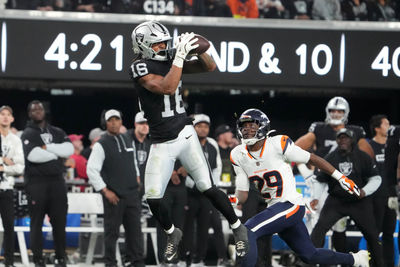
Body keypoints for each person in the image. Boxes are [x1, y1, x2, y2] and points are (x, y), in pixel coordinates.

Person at [129, 21, 248, 263]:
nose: (163, 46)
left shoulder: (171, 58)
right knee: (152, 197)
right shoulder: (140, 66)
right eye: (158, 44)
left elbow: (210, 65)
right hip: (161, 141)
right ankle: (173, 233)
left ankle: (238, 227)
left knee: (207, 187)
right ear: (144, 46)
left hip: (185, 133)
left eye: (165, 42)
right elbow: (166, 86)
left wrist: (196, 47)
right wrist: (180, 57)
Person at [229, 108, 369, 267]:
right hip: (275, 207)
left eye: (251, 126)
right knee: (311, 255)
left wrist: (341, 177)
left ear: (263, 127)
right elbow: (243, 194)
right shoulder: (237, 154)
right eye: (244, 126)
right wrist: (232, 199)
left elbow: (313, 158)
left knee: (247, 231)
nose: (247, 129)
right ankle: (356, 259)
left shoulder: (277, 144)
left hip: (290, 205)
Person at [295, 96, 374, 252]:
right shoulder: (319, 129)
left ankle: (341, 259)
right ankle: (313, 259)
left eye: (340, 111)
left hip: (341, 184)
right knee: (316, 223)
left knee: (340, 225)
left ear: (346, 112)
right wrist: (307, 172)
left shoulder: (355, 132)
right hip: (322, 182)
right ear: (327, 111)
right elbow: (294, 149)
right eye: (333, 110)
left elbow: (369, 158)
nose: (336, 114)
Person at [310, 128, 384, 267]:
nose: (342, 140)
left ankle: (379, 264)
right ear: (337, 140)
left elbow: (376, 178)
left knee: (372, 235)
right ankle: (308, 262)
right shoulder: (331, 157)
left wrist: (364, 191)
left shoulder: (363, 157)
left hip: (359, 201)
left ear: (352, 140)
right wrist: (315, 198)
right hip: (336, 201)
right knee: (319, 229)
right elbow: (320, 179)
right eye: (340, 138)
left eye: (346, 138)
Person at [87, 109, 144, 267]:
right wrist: (105, 190)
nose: (114, 123)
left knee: (135, 232)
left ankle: (136, 262)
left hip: (132, 194)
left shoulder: (127, 139)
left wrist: (137, 177)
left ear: (121, 121)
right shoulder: (101, 144)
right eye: (110, 120)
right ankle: (110, 263)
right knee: (112, 234)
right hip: (114, 196)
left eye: (116, 120)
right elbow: (91, 170)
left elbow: (133, 161)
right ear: (105, 123)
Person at [20, 100, 74, 267]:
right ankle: (38, 259)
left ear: (44, 111)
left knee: (59, 221)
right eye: (33, 109)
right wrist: (57, 153)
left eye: (40, 108)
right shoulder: (27, 133)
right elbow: (33, 156)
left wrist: (47, 148)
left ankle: (60, 257)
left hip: (57, 182)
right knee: (36, 222)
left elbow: (69, 150)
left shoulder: (57, 131)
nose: (37, 111)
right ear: (29, 113)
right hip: (36, 183)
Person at [368, 115, 397, 267]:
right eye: (386, 124)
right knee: (374, 234)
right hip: (375, 198)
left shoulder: (393, 146)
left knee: (389, 235)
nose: (389, 126)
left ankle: (390, 264)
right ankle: (373, 264)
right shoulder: (369, 146)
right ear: (377, 128)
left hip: (391, 196)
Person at [0, 105, 25, 267]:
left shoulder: (16, 141)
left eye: (8, 115)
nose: (5, 117)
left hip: (7, 188)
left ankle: (9, 261)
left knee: (9, 225)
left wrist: (4, 168)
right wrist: (4, 160)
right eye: (2, 114)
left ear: (13, 119)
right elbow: (12, 163)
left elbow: (20, 167)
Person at [127, 111, 151, 194]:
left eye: (147, 123)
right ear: (135, 124)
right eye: (141, 123)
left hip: (144, 187)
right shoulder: (126, 140)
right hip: (128, 185)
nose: (145, 126)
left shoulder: (150, 144)